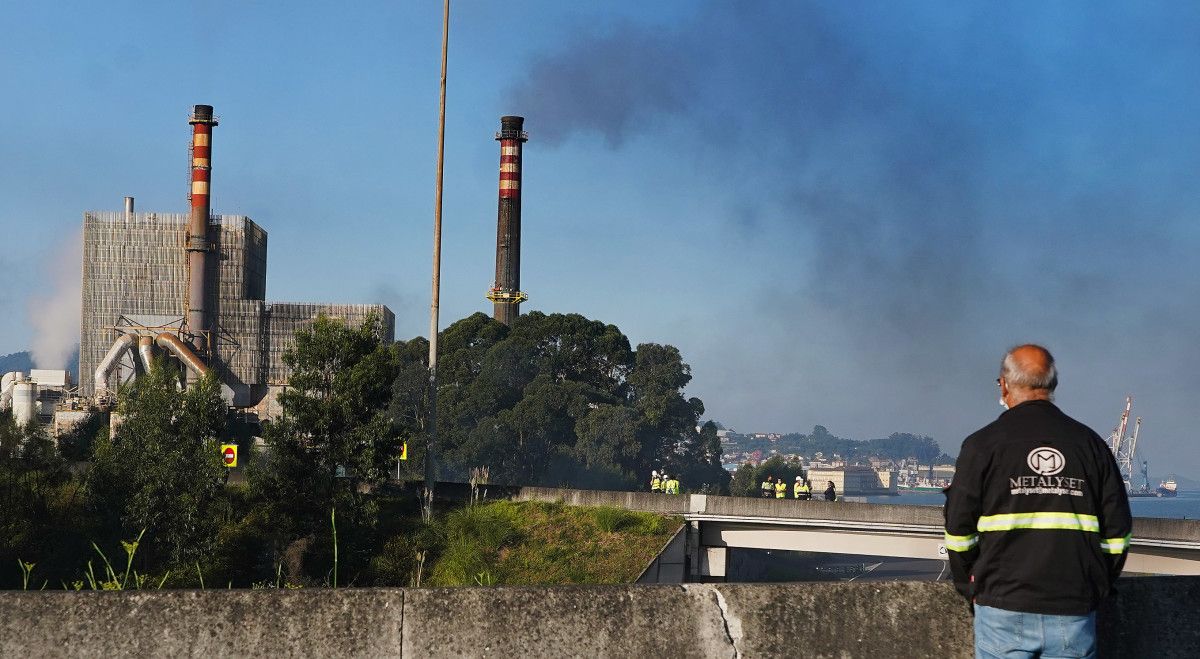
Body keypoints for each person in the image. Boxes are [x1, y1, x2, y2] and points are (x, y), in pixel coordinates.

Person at [944, 344, 1132, 658]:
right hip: (1072, 609)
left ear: (1004, 384)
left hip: (1002, 607)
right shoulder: (1091, 446)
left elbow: (959, 533)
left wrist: (970, 589)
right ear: (1052, 385)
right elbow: (1117, 533)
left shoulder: (981, 445)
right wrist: (1096, 586)